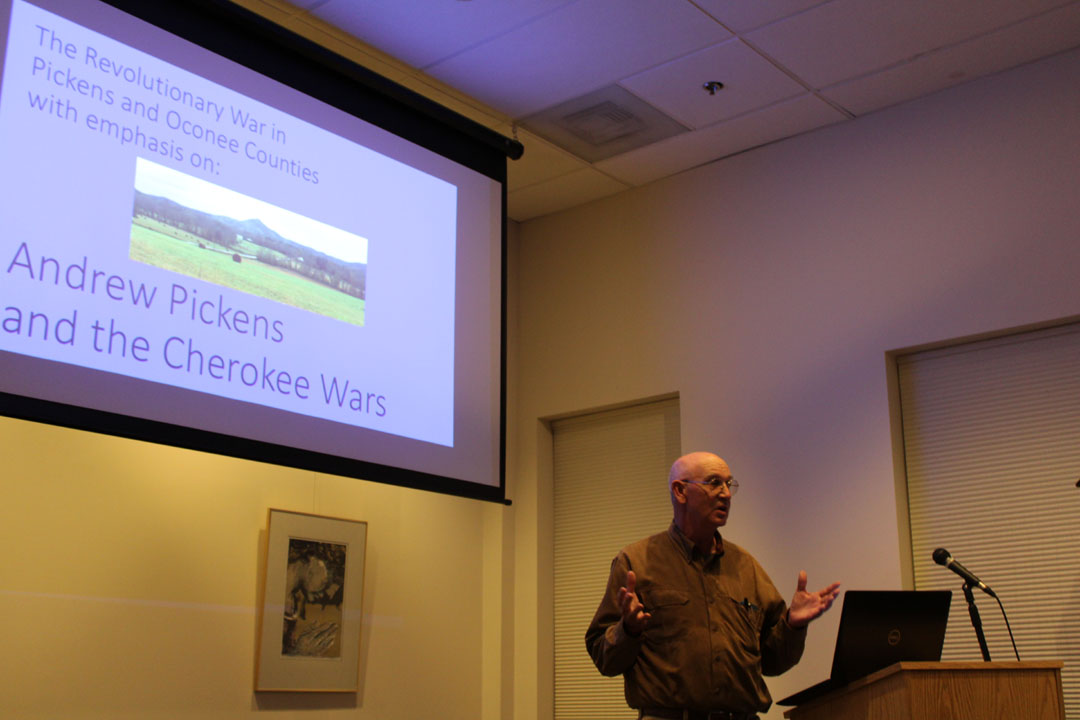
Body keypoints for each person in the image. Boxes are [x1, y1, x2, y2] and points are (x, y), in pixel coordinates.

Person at [585, 452, 840, 720]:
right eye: (714, 483)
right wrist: (629, 631)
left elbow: (774, 661)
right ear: (680, 491)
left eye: (729, 485)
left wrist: (793, 625)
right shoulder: (636, 562)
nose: (726, 494)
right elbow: (604, 658)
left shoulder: (746, 567)